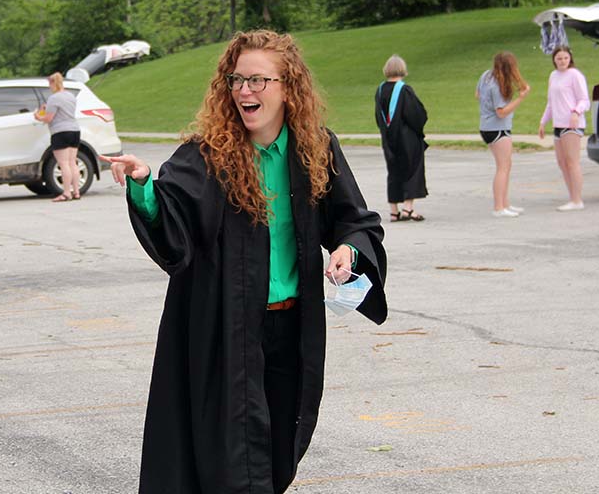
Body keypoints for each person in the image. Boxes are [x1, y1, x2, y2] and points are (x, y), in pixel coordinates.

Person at [101, 30, 388, 494]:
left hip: (291, 330)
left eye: (258, 80)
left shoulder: (315, 148)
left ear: (288, 86)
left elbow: (357, 221)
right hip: (224, 329)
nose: (243, 91)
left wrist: (347, 250)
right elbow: (173, 222)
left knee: (276, 452)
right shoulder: (208, 155)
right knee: (230, 459)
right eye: (236, 80)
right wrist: (144, 185)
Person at [374, 55, 428, 222]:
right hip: (407, 139)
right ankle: (408, 208)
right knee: (412, 171)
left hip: (388, 138)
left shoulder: (380, 90)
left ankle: (394, 211)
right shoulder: (404, 90)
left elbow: (378, 116)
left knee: (393, 172)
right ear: (402, 69)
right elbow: (416, 115)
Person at [477, 52, 530, 218]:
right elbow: (501, 112)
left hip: (486, 126)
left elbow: (477, 95)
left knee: (506, 165)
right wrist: (520, 98)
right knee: (503, 167)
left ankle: (505, 204)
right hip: (498, 128)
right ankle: (499, 207)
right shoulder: (497, 85)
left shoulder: (486, 75)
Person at [538, 45, 590, 211]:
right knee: (562, 163)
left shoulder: (575, 75)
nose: (562, 61)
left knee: (572, 162)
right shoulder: (553, 76)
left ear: (570, 59)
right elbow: (550, 102)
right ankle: (572, 197)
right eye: (559, 58)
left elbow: (584, 100)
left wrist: (576, 111)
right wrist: (543, 122)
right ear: (554, 59)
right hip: (558, 124)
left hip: (572, 124)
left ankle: (577, 200)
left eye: (565, 58)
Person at [35, 72, 82, 201]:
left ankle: (66, 192)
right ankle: (76, 191)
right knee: (73, 162)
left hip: (60, 131)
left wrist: (38, 116)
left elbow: (49, 118)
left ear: (52, 83)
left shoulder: (54, 98)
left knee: (63, 163)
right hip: (74, 130)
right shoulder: (70, 96)